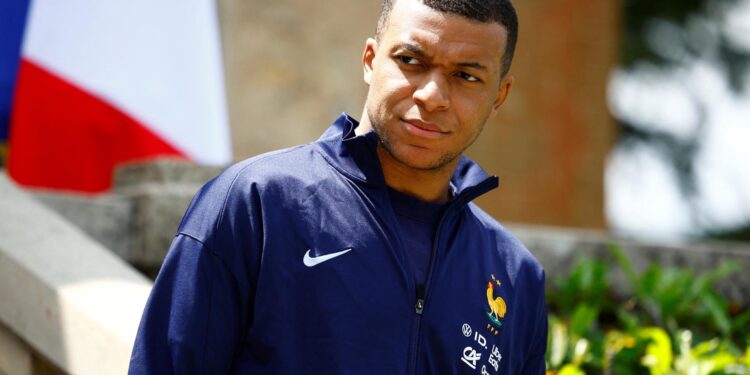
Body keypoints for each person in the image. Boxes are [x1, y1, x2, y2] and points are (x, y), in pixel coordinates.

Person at [128, 0, 547, 373]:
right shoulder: (256, 202)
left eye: (467, 76)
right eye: (411, 60)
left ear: (499, 96)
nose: (432, 95)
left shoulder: (515, 275)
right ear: (369, 59)